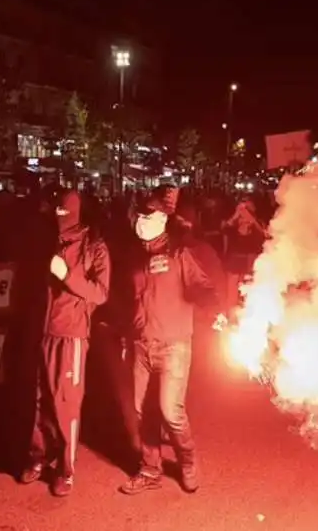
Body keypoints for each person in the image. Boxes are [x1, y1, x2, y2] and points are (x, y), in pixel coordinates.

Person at [118, 185, 217, 496]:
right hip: (141, 344)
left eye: (148, 215)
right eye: (139, 215)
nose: (141, 221)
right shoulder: (133, 255)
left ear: (162, 219)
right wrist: (126, 335)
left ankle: (187, 461)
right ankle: (150, 469)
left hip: (174, 345)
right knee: (141, 410)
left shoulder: (179, 253)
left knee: (170, 411)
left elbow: (202, 286)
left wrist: (214, 307)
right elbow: (129, 300)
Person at [19, 189, 111, 497]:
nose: (60, 216)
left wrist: (68, 275)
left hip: (71, 336)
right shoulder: (48, 240)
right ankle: (39, 457)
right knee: (40, 400)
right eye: (57, 210)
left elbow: (100, 293)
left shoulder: (95, 247)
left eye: (66, 211)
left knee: (66, 405)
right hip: (43, 332)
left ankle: (66, 471)